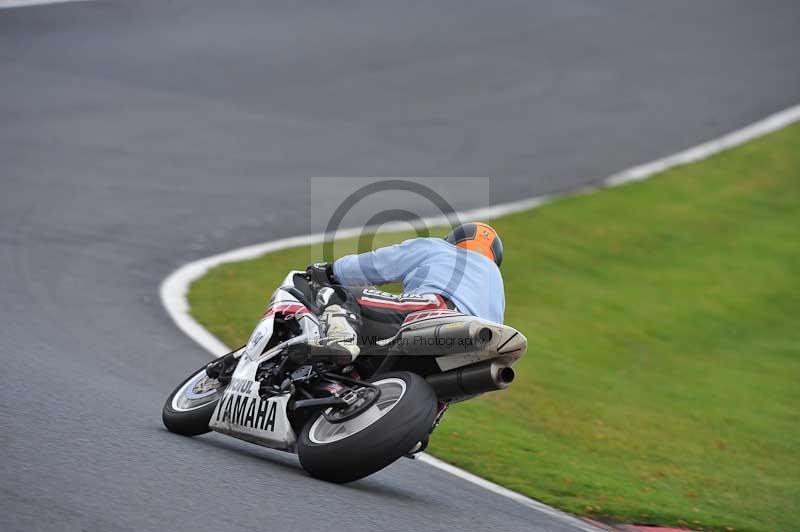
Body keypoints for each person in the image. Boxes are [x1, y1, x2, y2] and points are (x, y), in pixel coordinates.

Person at [306, 222, 505, 362]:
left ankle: (341, 343)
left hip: (438, 309)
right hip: (480, 349)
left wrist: (332, 270)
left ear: (453, 239)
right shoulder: (497, 283)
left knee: (338, 295)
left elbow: (376, 264)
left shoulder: (439, 248)